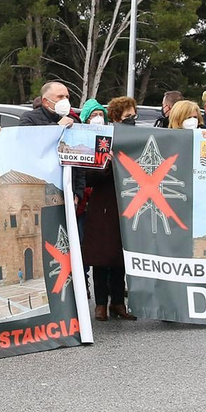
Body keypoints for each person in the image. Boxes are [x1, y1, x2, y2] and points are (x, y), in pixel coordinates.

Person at [85, 97, 137, 322]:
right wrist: (108, 165)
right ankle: (100, 304)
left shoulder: (137, 140)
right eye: (128, 116)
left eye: (134, 116)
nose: (132, 120)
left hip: (127, 206)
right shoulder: (101, 140)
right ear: (115, 118)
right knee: (101, 257)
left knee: (120, 257)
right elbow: (89, 177)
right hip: (103, 205)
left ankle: (118, 302)